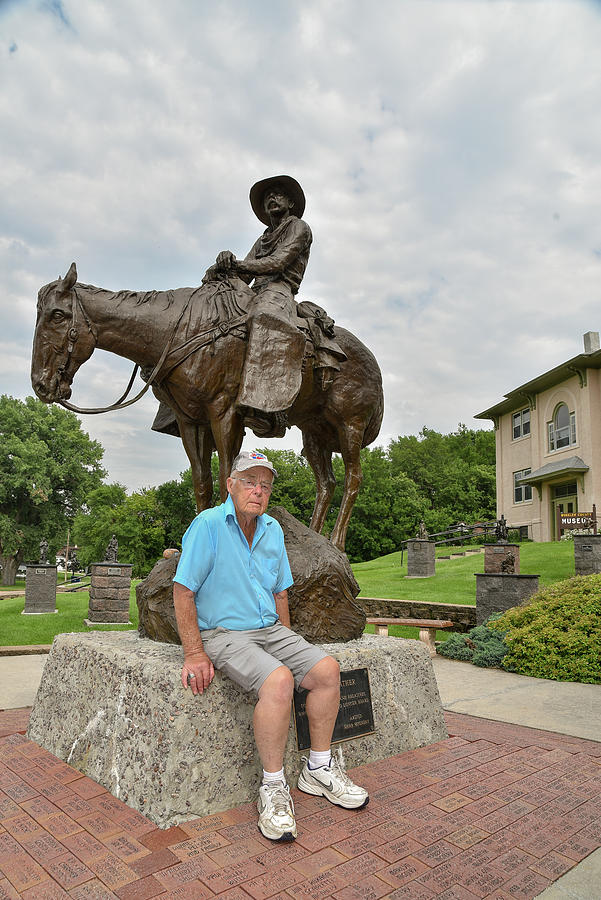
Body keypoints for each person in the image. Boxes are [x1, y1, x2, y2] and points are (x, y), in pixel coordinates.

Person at [172, 449, 368, 842]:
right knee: (278, 681)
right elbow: (183, 590)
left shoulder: (272, 530)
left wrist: (289, 641)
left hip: (270, 629)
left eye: (265, 484)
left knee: (327, 670)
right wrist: (194, 652)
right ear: (230, 484)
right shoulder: (207, 525)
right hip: (225, 634)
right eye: (249, 481)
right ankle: (274, 787)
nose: (258, 491)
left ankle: (318, 768)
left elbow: (280, 593)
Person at [203, 175, 311, 438]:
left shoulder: (299, 227)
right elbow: (243, 276)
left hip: (279, 290)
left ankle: (268, 408)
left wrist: (236, 264)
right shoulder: (263, 237)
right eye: (267, 198)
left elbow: (277, 263)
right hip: (254, 291)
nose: (271, 199)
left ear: (291, 202)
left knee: (264, 316)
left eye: (277, 194)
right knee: (209, 313)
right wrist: (221, 268)